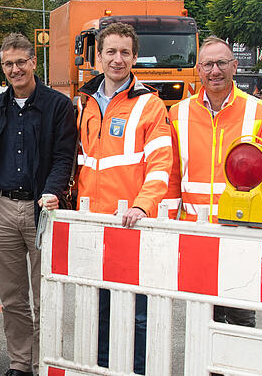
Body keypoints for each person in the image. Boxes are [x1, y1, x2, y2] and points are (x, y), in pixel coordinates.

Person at [0, 32, 77, 376]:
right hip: (1, 208)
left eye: (21, 62)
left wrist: (53, 191)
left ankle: (42, 361)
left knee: (44, 295)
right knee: (13, 298)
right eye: (8, 64)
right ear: (2, 67)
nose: (15, 69)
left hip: (41, 209)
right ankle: (20, 363)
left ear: (34, 62)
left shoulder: (58, 106)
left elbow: (64, 158)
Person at [167, 36, 262, 327]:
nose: (214, 70)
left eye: (221, 63)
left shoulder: (260, 112)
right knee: (201, 317)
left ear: (234, 67)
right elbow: (171, 176)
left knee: (239, 317)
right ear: (198, 69)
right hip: (195, 233)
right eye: (208, 64)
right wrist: (168, 226)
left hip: (242, 233)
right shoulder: (178, 113)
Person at [75, 23, 173, 374]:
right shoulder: (85, 103)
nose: (118, 60)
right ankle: (104, 367)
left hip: (132, 223)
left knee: (138, 309)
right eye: (111, 52)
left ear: (135, 57)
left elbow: (161, 165)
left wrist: (141, 205)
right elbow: (81, 161)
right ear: (98, 56)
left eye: (125, 53)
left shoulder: (149, 105)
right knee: (99, 306)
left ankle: (138, 369)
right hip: (92, 223)